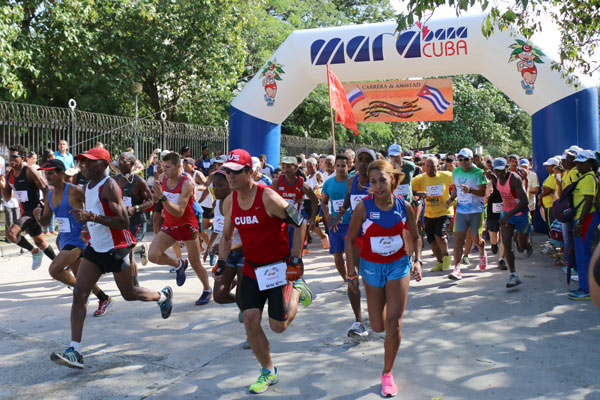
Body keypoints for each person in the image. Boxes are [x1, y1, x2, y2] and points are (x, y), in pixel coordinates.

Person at [50, 146, 173, 369]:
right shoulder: (87, 186)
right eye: (83, 161)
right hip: (95, 249)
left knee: (130, 293)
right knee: (79, 293)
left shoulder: (109, 186)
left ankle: (162, 296)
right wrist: (89, 227)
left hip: (117, 248)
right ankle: (75, 350)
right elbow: (94, 216)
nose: (84, 165)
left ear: (104, 165)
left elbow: (124, 221)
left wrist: (93, 217)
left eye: (90, 162)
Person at [217, 149, 313, 394]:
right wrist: (221, 260)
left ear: (250, 172)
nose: (230, 176)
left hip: (278, 268)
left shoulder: (268, 197)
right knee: (250, 320)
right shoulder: (230, 201)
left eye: (236, 172)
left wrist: (295, 260)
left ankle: (296, 289)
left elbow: (300, 223)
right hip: (251, 268)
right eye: (227, 171)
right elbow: (227, 236)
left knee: (278, 327)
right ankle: (268, 371)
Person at [346, 159, 422, 398]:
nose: (377, 186)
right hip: (371, 267)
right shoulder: (363, 207)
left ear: (392, 180)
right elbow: (349, 240)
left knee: (394, 323)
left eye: (382, 181)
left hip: (398, 265)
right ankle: (389, 306)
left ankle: (387, 373)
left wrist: (417, 260)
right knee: (378, 325)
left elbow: (416, 236)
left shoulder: (404, 206)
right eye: (373, 182)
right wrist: (351, 272)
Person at [36, 159, 113, 316]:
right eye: (45, 173)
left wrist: (88, 225)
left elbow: (93, 204)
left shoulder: (74, 190)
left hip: (78, 239)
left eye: (51, 173)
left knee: (55, 270)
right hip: (63, 239)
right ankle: (104, 298)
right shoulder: (48, 195)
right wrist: (38, 216)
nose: (47, 176)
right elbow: (45, 222)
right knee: (81, 276)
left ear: (61, 173)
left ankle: (82, 291)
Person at [147, 152, 212, 305]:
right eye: (163, 167)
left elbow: (179, 211)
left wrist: (162, 198)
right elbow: (160, 199)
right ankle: (178, 264)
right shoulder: (162, 178)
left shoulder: (187, 182)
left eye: (168, 167)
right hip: (170, 225)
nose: (164, 170)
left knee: (195, 262)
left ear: (178, 166)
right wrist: (158, 198)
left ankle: (207, 289)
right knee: (153, 256)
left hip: (187, 225)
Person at [322, 154, 367, 337]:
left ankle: (357, 281)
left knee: (360, 265)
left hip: (357, 227)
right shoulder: (330, 183)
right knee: (338, 256)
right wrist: (329, 216)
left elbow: (351, 200)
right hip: (337, 226)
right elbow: (324, 203)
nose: (340, 168)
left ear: (349, 166)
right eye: (337, 165)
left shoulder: (353, 180)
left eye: (343, 165)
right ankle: (348, 281)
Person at [1, 144, 56, 269]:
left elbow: (46, 189)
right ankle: (61, 264)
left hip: (35, 210)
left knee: (11, 233)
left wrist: (47, 211)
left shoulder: (29, 171)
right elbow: (7, 197)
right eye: (9, 157)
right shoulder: (10, 174)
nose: (11, 159)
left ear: (23, 158)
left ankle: (34, 252)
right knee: (40, 242)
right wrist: (1, 184)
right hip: (25, 212)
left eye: (14, 157)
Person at [487, 158, 530, 288]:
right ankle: (513, 275)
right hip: (507, 214)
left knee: (522, 246)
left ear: (507, 168)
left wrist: (509, 215)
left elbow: (525, 201)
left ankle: (527, 245)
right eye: (496, 171)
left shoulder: (514, 179)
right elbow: (498, 183)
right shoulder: (497, 178)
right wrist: (491, 176)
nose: (499, 173)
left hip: (521, 215)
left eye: (501, 170)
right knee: (506, 243)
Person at [445, 148, 488, 280]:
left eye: (465, 159)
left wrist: (470, 191)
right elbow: (456, 189)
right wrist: (451, 199)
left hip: (476, 211)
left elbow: (483, 193)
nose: (462, 162)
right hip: (461, 211)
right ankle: (457, 269)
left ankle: (482, 250)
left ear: (472, 160)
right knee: (458, 240)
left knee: (476, 239)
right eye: (460, 159)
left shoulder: (479, 173)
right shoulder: (456, 171)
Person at [115, 152, 153, 286]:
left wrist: (135, 208)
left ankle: (134, 282)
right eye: (118, 160)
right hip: (122, 221)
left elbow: (150, 201)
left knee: (128, 251)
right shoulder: (115, 180)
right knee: (123, 250)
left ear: (131, 164)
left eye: (123, 161)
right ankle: (141, 249)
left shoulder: (139, 181)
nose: (119, 163)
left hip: (137, 222)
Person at [411, 156, 453, 272]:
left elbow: (459, 183)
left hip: (445, 211)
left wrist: (453, 199)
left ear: (437, 166)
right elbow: (408, 189)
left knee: (439, 234)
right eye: (427, 166)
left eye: (433, 166)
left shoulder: (445, 175)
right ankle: (440, 262)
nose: (430, 169)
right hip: (429, 214)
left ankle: (446, 256)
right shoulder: (420, 178)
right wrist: (419, 193)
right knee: (431, 240)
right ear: (424, 167)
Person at [272, 156, 319, 254]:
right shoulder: (277, 182)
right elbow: (269, 200)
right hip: (280, 222)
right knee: (280, 253)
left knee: (295, 254)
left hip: (295, 223)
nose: (286, 170)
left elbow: (314, 200)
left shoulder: (302, 184)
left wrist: (313, 218)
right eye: (284, 167)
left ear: (296, 168)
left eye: (289, 167)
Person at [569, 150, 598, 300]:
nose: (578, 166)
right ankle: (584, 287)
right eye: (577, 163)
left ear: (590, 164)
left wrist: (580, 222)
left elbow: (588, 202)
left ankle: (586, 289)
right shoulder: (585, 177)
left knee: (583, 256)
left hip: (585, 219)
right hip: (582, 219)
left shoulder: (588, 179)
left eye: (582, 163)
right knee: (581, 255)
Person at [304, 157, 328, 248]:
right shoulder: (307, 177)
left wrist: (318, 186)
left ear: (316, 166)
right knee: (305, 223)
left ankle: (323, 236)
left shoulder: (317, 174)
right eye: (308, 167)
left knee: (311, 224)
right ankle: (306, 242)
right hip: (306, 201)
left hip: (314, 202)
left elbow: (323, 183)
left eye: (311, 166)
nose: (309, 168)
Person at [539, 157, 560, 229]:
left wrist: (540, 196)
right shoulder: (550, 176)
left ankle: (552, 239)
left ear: (554, 166)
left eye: (549, 166)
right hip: (548, 205)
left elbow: (548, 190)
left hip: (551, 205)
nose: (547, 168)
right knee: (549, 223)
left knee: (551, 225)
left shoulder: (554, 176)